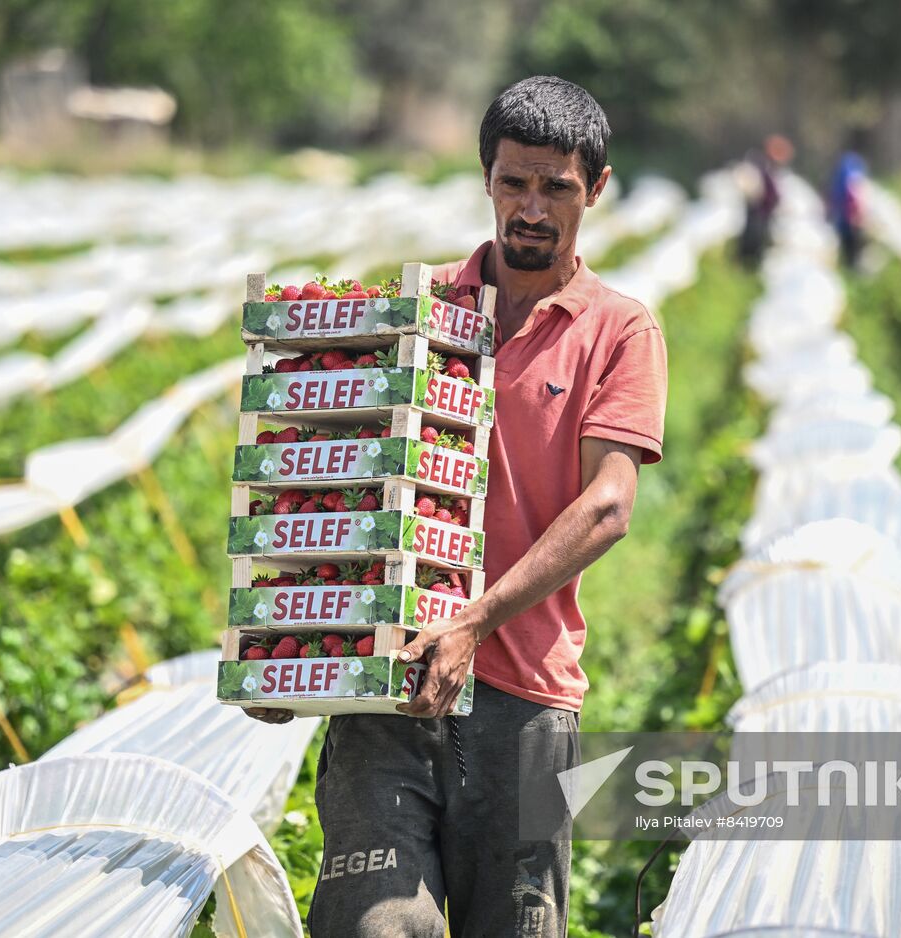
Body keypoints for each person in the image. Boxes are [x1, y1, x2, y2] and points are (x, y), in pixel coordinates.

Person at [246, 75, 668, 938]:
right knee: (370, 928)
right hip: (388, 695)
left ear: (597, 188)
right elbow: (331, 480)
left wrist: (474, 620)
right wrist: (293, 650)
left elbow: (609, 504)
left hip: (525, 695)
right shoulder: (416, 311)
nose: (532, 207)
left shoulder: (619, 331)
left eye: (557, 186)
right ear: (486, 179)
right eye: (515, 182)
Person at [827, 151, 868, 268]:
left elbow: (836, 197)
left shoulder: (842, 176)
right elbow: (856, 200)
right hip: (851, 218)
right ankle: (853, 268)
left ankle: (851, 267)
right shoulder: (854, 177)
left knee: (849, 246)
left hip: (845, 218)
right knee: (852, 246)